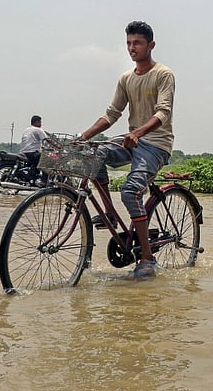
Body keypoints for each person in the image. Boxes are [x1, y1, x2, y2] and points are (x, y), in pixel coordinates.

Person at [80, 21, 175, 280]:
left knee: (131, 190)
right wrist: (84, 137)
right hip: (131, 141)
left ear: (150, 45)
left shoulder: (163, 74)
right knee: (94, 154)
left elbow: (163, 113)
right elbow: (111, 114)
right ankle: (109, 214)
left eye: (138, 43)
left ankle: (147, 258)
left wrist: (138, 132)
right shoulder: (126, 79)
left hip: (155, 144)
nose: (132, 48)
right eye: (129, 44)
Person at [18, 115, 47, 185]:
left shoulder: (27, 129)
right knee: (46, 161)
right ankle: (43, 181)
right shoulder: (38, 129)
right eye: (40, 122)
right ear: (36, 122)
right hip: (31, 153)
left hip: (24, 152)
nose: (41, 124)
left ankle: (34, 177)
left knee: (37, 161)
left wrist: (43, 147)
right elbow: (48, 139)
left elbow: (31, 142)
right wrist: (59, 146)